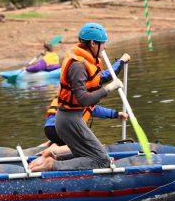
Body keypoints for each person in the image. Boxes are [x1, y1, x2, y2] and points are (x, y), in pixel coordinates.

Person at [29, 23, 124, 172]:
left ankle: (52, 156)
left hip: (69, 118)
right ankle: (52, 165)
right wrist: (110, 88)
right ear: (93, 43)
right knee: (101, 160)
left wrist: (119, 66)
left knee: (85, 153)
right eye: (103, 43)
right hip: (69, 120)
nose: (105, 47)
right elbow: (83, 99)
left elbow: (97, 79)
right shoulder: (77, 66)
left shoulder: (84, 62)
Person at [43, 52, 130, 146]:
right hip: (61, 128)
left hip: (49, 128)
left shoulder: (75, 84)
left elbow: (93, 109)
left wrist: (116, 114)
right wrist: (121, 61)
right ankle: (51, 152)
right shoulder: (82, 82)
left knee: (65, 139)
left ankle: (48, 146)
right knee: (88, 146)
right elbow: (108, 75)